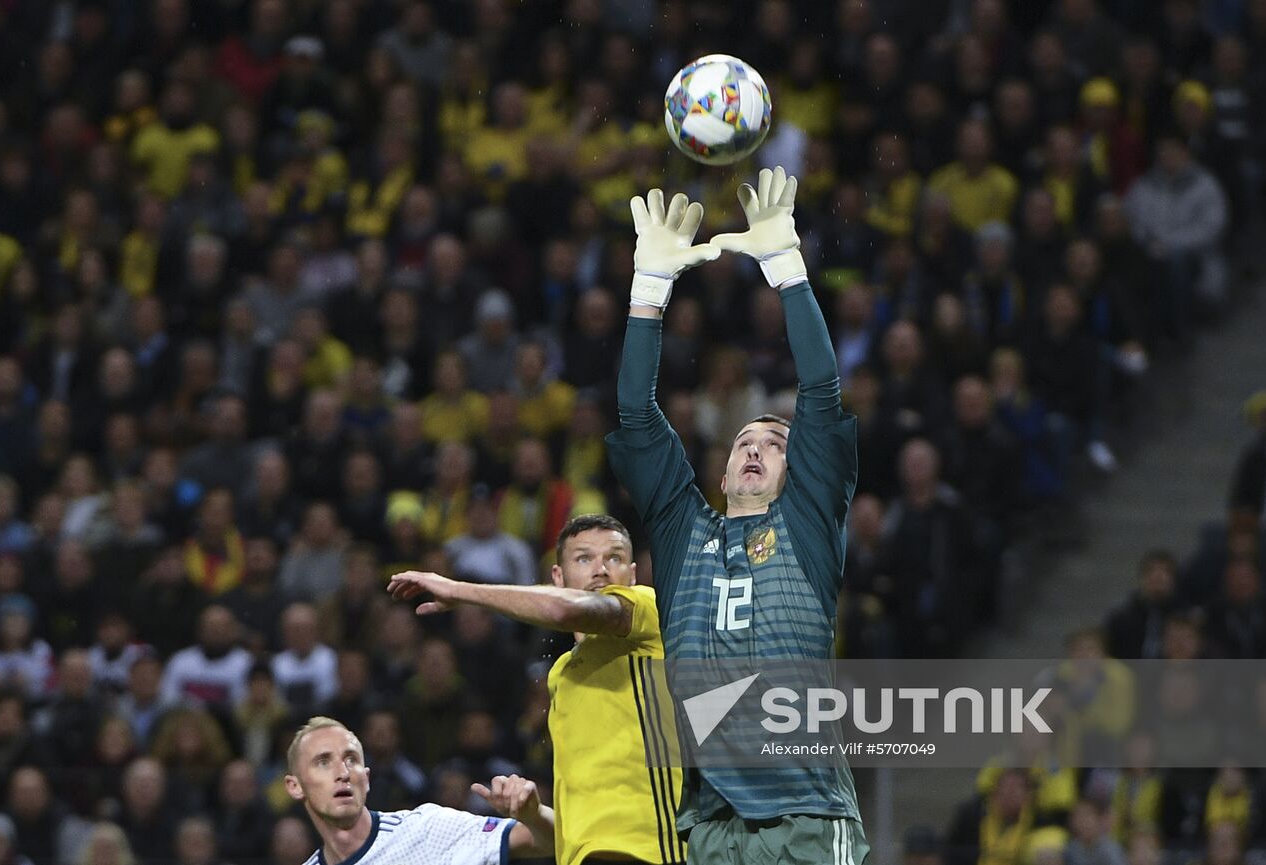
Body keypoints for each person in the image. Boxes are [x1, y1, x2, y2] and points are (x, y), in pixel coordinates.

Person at [607, 169, 869, 863]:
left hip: (806, 813)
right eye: (745, 442)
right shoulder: (681, 526)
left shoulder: (809, 526)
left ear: (800, 470)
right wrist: (649, 291)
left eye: (776, 443)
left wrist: (786, 266)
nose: (757, 447)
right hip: (712, 818)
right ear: (720, 472)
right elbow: (637, 412)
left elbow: (820, 386)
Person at [388, 513, 685, 865]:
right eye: (584, 558)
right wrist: (531, 813)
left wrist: (460, 590)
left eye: (614, 558)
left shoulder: (649, 610)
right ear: (558, 577)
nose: (601, 570)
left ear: (632, 576)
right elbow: (569, 833)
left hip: (656, 855)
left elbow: (563, 611)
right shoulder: (561, 674)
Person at [282, 716, 554, 865]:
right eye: (323, 762)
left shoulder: (428, 830)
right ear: (295, 786)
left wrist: (534, 814)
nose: (342, 773)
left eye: (351, 759)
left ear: (366, 779)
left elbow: (555, 841)